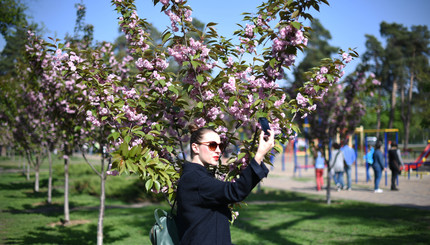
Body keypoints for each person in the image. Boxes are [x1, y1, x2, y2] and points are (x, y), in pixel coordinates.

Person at [176, 124, 275, 244]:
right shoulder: (195, 179)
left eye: (220, 145)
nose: (218, 150)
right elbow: (235, 191)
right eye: (212, 145)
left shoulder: (197, 176)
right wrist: (259, 155)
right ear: (195, 148)